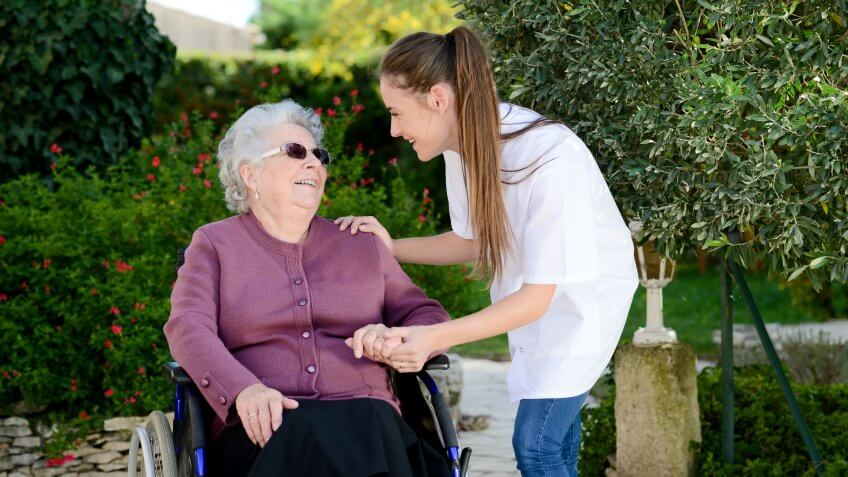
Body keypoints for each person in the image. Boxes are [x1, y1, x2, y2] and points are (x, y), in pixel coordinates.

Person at [337, 27, 638, 477]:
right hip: (537, 306)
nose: (394, 130)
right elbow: (472, 240)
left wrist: (433, 337)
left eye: (397, 114)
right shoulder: (463, 147)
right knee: (554, 447)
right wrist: (392, 248)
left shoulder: (550, 162)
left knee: (535, 444)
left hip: (583, 305)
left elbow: (538, 298)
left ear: (437, 99)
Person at [164, 99, 450, 477]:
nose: (314, 162)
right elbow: (187, 326)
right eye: (294, 152)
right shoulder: (215, 245)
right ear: (250, 175)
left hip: (368, 421)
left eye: (319, 154)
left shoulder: (360, 244)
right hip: (266, 426)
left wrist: (400, 339)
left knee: (372, 419)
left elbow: (426, 315)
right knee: (295, 426)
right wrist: (243, 390)